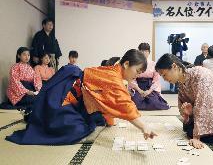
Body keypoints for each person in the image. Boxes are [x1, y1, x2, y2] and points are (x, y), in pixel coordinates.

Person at [6, 49, 157, 145]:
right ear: (126, 64)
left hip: (72, 90)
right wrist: (144, 127)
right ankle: (38, 117)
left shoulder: (114, 70)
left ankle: (36, 114)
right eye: (137, 71)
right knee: (77, 131)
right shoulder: (114, 79)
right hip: (65, 95)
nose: (137, 75)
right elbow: (125, 105)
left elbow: (111, 103)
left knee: (97, 121)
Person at [129, 43, 170, 110]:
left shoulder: (154, 64)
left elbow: (156, 80)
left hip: (149, 87)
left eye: (146, 51)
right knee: (135, 102)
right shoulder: (135, 64)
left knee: (154, 102)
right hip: (138, 87)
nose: (144, 53)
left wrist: (149, 91)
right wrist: (139, 90)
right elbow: (132, 79)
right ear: (138, 52)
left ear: (149, 52)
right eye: (141, 51)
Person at [4, 47, 42, 118]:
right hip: (18, 92)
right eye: (24, 54)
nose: (27, 57)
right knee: (35, 101)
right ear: (19, 56)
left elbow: (36, 79)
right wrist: (26, 91)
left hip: (30, 89)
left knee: (41, 99)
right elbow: (15, 82)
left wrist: (38, 89)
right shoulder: (15, 67)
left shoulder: (30, 68)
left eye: (28, 55)